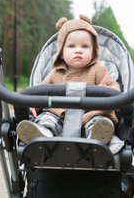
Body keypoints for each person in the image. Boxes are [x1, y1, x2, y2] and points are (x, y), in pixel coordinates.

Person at [17, 14, 120, 145]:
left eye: (85, 46)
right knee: (46, 119)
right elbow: (40, 91)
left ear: (94, 51)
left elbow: (114, 89)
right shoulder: (55, 73)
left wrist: (107, 91)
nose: (78, 51)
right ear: (61, 51)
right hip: (58, 116)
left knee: (99, 122)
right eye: (71, 46)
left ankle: (96, 137)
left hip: (89, 115)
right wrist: (32, 104)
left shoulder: (98, 70)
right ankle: (42, 134)